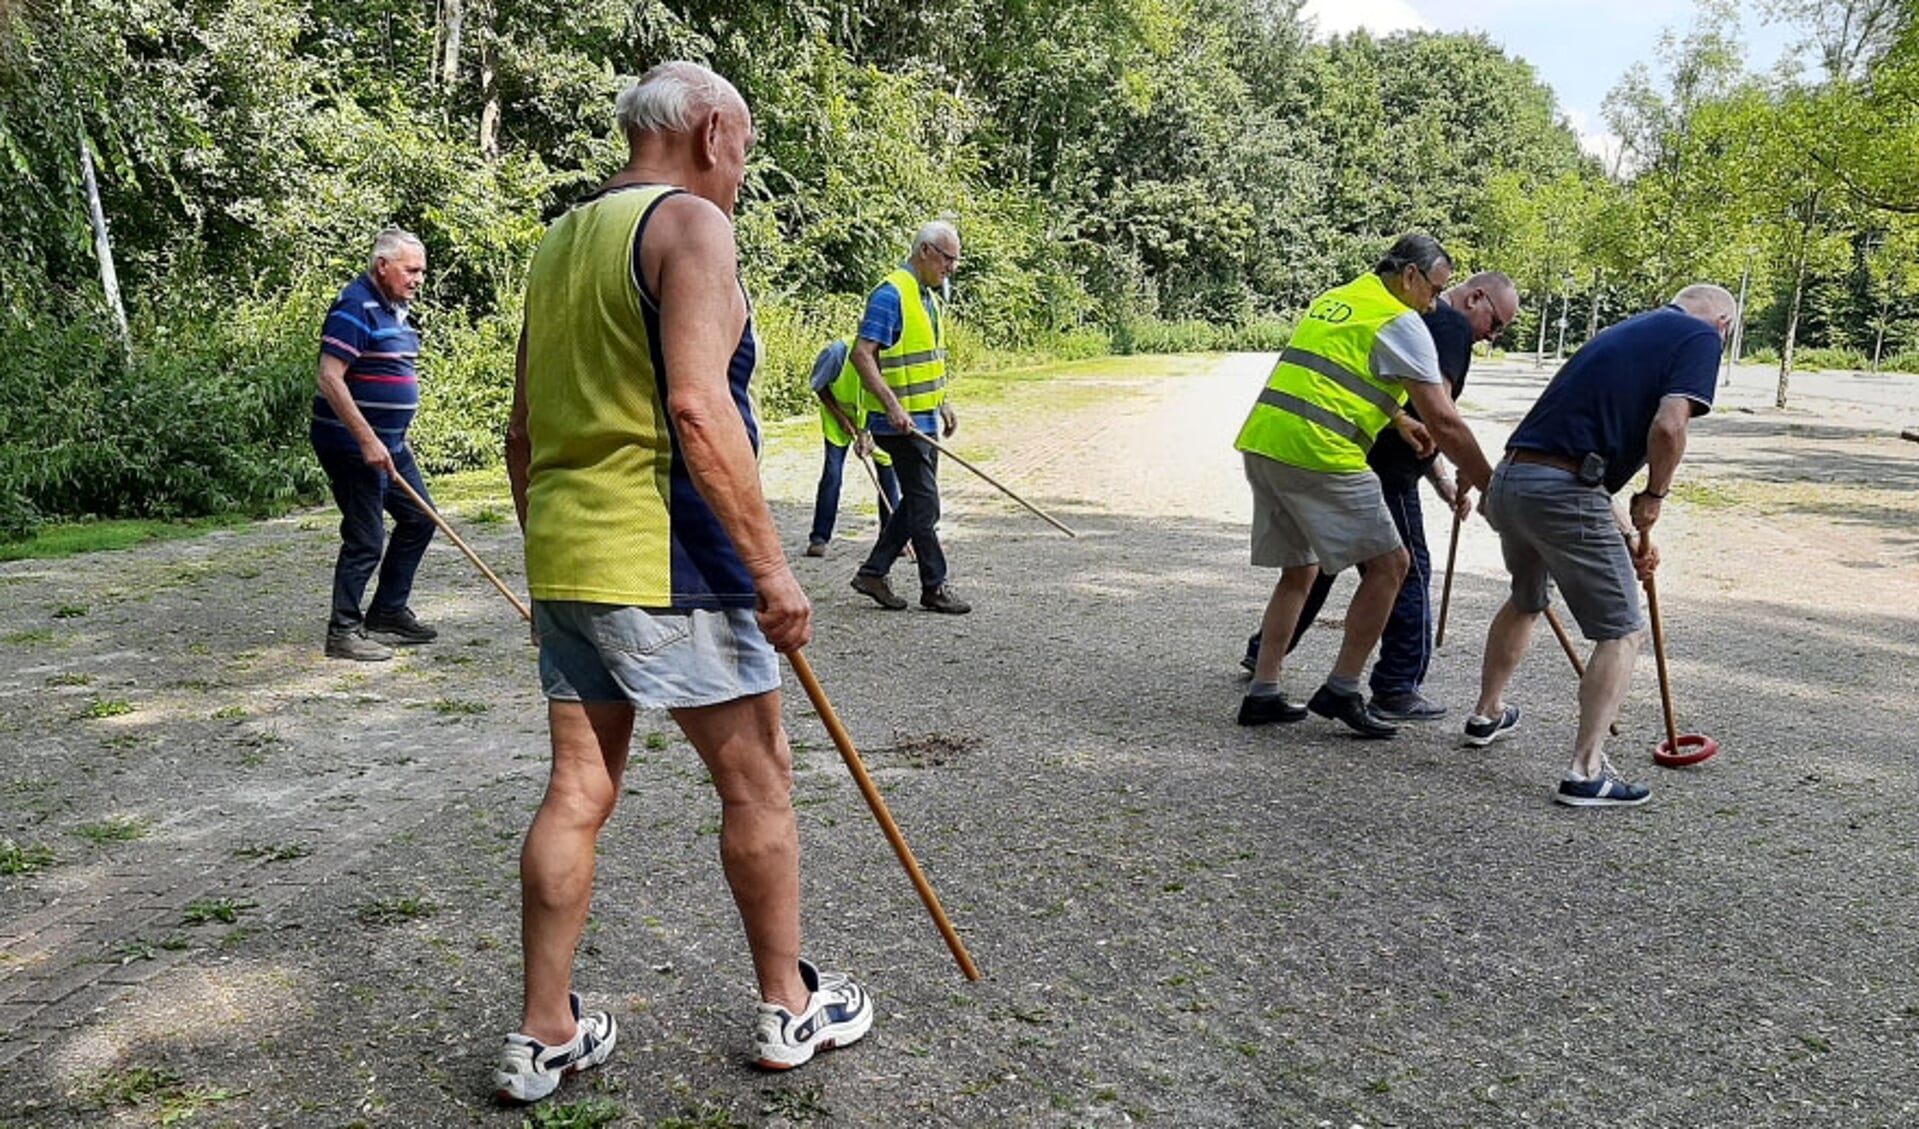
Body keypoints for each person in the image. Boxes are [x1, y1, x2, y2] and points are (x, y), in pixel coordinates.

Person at [497, 61, 872, 1105]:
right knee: (758, 780)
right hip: (674, 554)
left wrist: (554, 557)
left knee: (577, 790)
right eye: (744, 148)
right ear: (712, 130)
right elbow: (699, 411)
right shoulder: (690, 226)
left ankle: (544, 1033)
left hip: (572, 554)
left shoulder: (561, 240)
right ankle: (788, 1003)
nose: (743, 170)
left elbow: (522, 433)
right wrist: (769, 569)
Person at [1466, 283, 1734, 808]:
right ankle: (1585, 772)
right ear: (1722, 322)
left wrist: (1630, 536)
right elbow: (1669, 425)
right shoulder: (1701, 337)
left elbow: (1586, 465)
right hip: (1561, 491)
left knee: (1526, 600)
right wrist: (1655, 494)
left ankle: (1486, 713)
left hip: (1514, 480)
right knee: (1621, 631)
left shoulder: (1624, 331)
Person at [1235, 233, 1495, 739]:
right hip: (1317, 450)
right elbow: (1444, 419)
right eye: (1434, 290)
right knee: (1391, 567)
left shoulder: (1339, 298)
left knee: (1301, 570)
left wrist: (1395, 418)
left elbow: (1331, 373)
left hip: (1264, 442)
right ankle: (1343, 688)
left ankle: (1263, 691)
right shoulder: (1403, 321)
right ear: (1411, 276)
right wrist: (1491, 485)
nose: (1436, 303)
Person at [310, 228, 438, 662]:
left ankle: (386, 611)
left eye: (421, 270)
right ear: (383, 265)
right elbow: (329, 378)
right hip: (349, 442)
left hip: (389, 442)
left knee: (420, 520)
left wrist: (392, 432)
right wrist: (366, 438)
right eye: (411, 270)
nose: (419, 278)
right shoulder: (355, 304)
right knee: (366, 538)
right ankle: (343, 630)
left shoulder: (395, 309)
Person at [847, 221, 971, 615]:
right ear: (925, 251)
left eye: (955, 260)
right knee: (926, 504)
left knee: (916, 503)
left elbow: (930, 359)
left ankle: (873, 571)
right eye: (948, 259)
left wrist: (944, 402)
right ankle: (934, 586)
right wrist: (892, 406)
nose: (952, 267)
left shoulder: (928, 298)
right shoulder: (891, 294)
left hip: (924, 420)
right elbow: (862, 354)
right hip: (898, 424)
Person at [804, 337, 902, 557]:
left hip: (875, 422)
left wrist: (866, 433)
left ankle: (891, 539)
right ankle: (819, 537)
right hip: (838, 419)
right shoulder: (837, 353)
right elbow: (819, 386)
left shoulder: (889, 357)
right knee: (832, 474)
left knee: (888, 475)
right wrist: (840, 418)